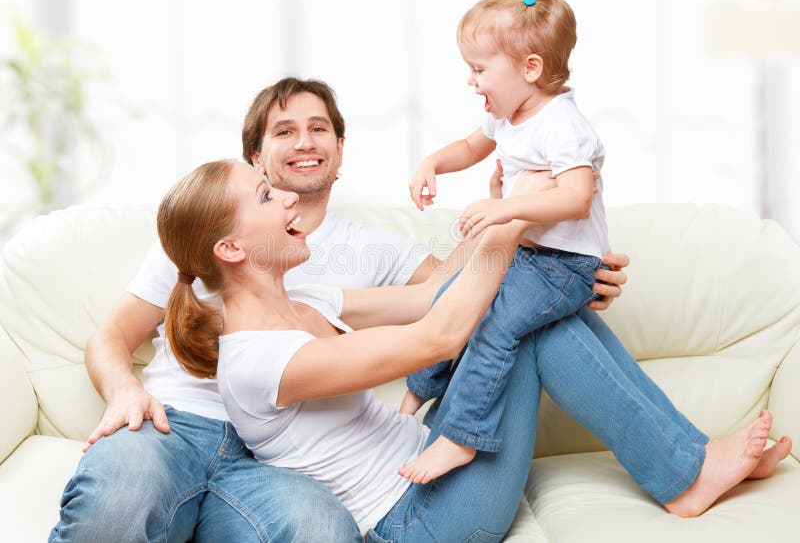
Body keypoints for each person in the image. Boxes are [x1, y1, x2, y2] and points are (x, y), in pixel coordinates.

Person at [47, 75, 632, 541]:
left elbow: (449, 296)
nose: (304, 142)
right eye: (284, 132)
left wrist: (560, 268)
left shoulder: (330, 270)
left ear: (340, 145)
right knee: (121, 498)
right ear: (256, 157)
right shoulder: (199, 241)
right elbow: (440, 332)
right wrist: (126, 391)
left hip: (276, 463)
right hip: (176, 423)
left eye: (318, 127)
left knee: (320, 528)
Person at [158, 158, 790, 542]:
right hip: (420, 523)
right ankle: (685, 474)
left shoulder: (309, 297)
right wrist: (516, 226)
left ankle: (689, 463)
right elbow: (438, 337)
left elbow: (438, 296)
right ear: (231, 250)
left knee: (534, 307)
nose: (290, 197)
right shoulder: (257, 363)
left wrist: (511, 219)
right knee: (527, 314)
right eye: (267, 198)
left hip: (430, 459)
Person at [402, 0, 616, 482]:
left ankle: (460, 437)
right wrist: (432, 161)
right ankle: (414, 395)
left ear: (531, 68)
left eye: (479, 69)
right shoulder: (507, 115)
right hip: (531, 254)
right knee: (455, 297)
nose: (472, 81)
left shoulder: (562, 124)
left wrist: (505, 211)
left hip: (566, 266)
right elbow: (472, 148)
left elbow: (578, 197)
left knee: (495, 326)